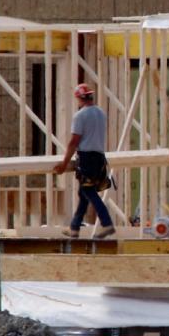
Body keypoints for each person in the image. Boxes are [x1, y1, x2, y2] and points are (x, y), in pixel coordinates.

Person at [55, 83, 115, 239]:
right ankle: (74, 228)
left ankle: (107, 223)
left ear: (79, 98)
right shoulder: (101, 113)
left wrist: (63, 163)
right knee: (83, 193)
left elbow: (74, 142)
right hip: (100, 158)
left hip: (87, 158)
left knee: (89, 191)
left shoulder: (80, 116)